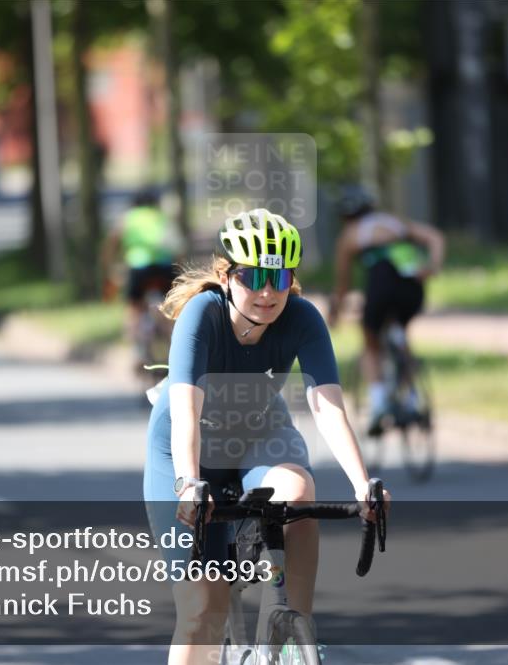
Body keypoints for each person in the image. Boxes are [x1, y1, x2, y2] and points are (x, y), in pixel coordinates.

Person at [144, 208, 389, 665]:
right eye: (253, 276)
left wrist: (363, 485)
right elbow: (186, 413)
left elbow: (327, 405)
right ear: (226, 275)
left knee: (298, 491)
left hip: (259, 430)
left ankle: (295, 632)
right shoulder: (202, 314)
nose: (267, 292)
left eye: (279, 278)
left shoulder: (302, 317)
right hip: (187, 446)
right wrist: (189, 483)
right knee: (203, 609)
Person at [327, 190, 445, 436]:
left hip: (382, 285)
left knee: (370, 340)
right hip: (412, 287)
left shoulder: (350, 235)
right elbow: (435, 237)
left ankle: (379, 403)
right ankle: (411, 399)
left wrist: (335, 312)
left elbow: (343, 285)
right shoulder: (394, 222)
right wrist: (432, 266)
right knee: (399, 331)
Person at [101, 189, 180, 367]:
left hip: (138, 267)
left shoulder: (128, 218)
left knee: (134, 308)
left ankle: (136, 352)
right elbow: (177, 248)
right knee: (169, 309)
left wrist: (109, 266)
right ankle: (174, 345)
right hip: (164, 267)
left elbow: (112, 242)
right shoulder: (163, 218)